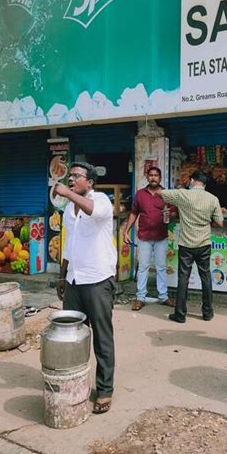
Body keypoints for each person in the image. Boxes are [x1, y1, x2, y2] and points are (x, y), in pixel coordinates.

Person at [55, 162, 116, 415]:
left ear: (89, 182)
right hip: (74, 281)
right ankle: (76, 383)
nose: (71, 179)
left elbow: (94, 212)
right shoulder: (70, 209)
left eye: (76, 176)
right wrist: (62, 275)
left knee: (102, 338)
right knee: (71, 338)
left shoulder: (101, 200)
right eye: (69, 176)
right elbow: (69, 244)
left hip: (97, 279)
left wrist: (67, 193)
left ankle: (104, 390)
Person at [159, 170, 223, 323]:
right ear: (205, 184)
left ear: (193, 181)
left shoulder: (183, 194)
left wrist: (179, 188)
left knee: (183, 278)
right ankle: (207, 313)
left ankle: (180, 314)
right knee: (206, 277)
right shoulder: (213, 199)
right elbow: (220, 223)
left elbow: (162, 193)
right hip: (204, 244)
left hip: (186, 244)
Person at [123, 167, 174, 311]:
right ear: (147, 177)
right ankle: (140, 297)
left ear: (160, 177)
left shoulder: (166, 194)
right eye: (151, 175)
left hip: (161, 236)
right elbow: (134, 213)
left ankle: (163, 296)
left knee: (161, 267)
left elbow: (174, 214)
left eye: (156, 175)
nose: (153, 178)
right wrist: (126, 231)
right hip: (144, 237)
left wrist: (170, 214)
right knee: (143, 267)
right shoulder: (140, 194)